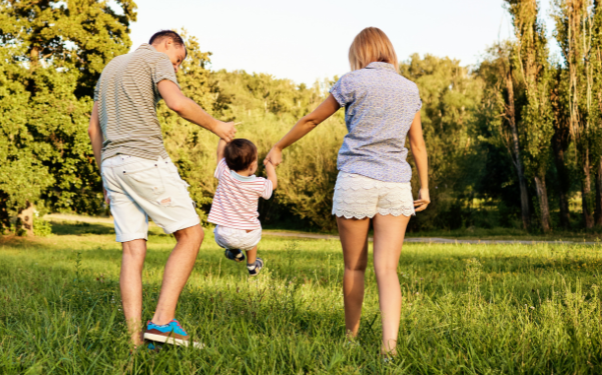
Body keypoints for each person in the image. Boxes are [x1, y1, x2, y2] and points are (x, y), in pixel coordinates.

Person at [263, 27, 430, 358]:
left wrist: (279, 145)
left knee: (354, 267)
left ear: (360, 52)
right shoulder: (409, 89)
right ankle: (389, 349)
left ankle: (350, 338)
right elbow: (418, 145)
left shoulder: (352, 81)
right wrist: (424, 186)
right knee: (388, 269)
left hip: (357, 179)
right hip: (397, 183)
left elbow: (312, 120)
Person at [87, 30, 236, 348]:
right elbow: (177, 102)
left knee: (133, 250)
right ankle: (162, 322)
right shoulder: (156, 58)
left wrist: (104, 175)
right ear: (168, 44)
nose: (177, 67)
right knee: (191, 235)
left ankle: (134, 342)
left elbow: (93, 128)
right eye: (179, 60)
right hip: (144, 159)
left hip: (112, 166)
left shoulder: (112, 66)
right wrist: (218, 126)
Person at [208, 138, 277, 276]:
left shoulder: (225, 173)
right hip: (248, 236)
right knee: (252, 236)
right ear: (252, 166)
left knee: (229, 233)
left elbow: (219, 154)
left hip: (223, 236)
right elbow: (272, 184)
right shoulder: (258, 184)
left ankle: (236, 254)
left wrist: (223, 136)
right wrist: (270, 167)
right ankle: (252, 266)